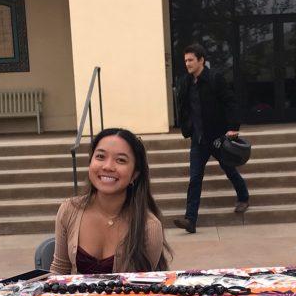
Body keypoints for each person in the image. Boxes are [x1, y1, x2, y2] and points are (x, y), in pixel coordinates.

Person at [50, 127, 171, 274]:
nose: (107, 167)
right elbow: (58, 272)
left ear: (135, 174)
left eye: (121, 160)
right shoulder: (69, 210)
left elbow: (144, 289)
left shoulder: (149, 227)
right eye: (100, 157)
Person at [173, 44, 249, 233]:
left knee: (229, 169)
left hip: (217, 137)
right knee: (195, 178)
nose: (187, 64)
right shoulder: (186, 82)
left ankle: (243, 197)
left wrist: (233, 128)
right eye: (185, 61)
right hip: (198, 140)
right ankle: (190, 220)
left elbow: (230, 102)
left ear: (201, 60)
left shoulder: (215, 79)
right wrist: (187, 127)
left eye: (190, 60)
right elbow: (183, 107)